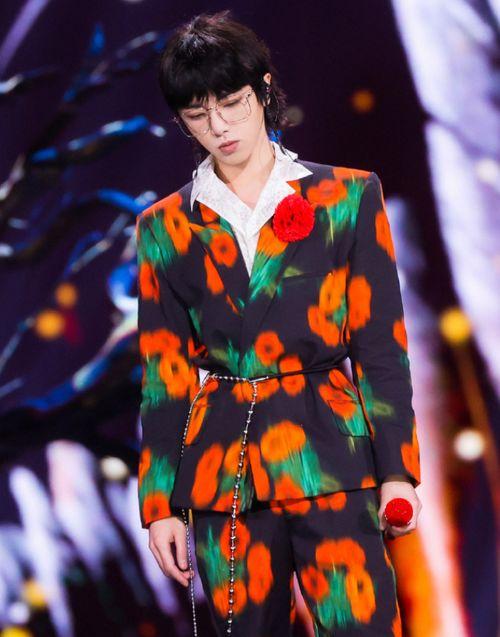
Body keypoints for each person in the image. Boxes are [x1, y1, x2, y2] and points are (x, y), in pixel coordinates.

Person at [135, 9, 422, 637]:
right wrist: (159, 505)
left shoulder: (346, 197)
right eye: (197, 114)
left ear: (263, 89)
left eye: (232, 103)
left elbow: (381, 346)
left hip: (331, 457)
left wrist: (397, 472)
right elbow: (164, 374)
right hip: (225, 475)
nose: (219, 127)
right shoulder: (165, 227)